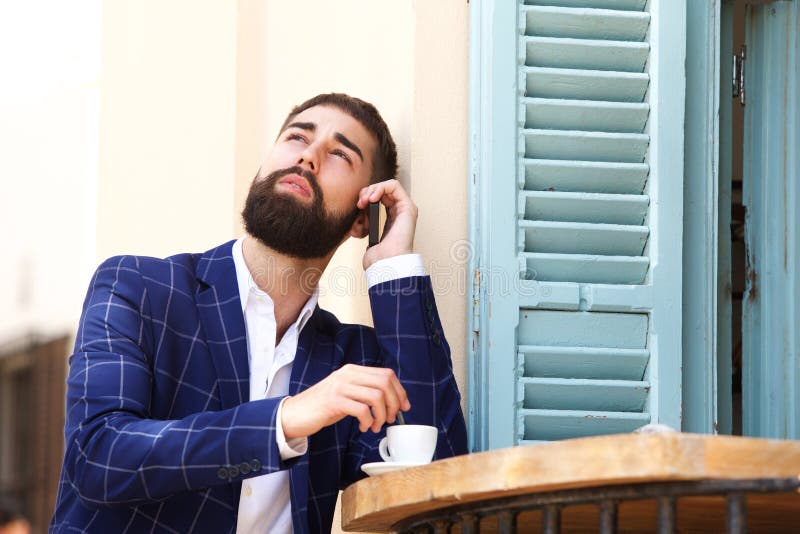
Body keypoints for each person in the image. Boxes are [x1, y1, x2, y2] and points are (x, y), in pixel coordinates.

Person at [49, 93, 468, 533]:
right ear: (262, 170)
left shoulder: (351, 359)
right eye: (296, 137)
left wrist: (393, 269)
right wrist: (283, 420)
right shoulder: (137, 287)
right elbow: (98, 455)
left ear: (362, 219)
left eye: (340, 153)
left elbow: (433, 475)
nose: (309, 155)